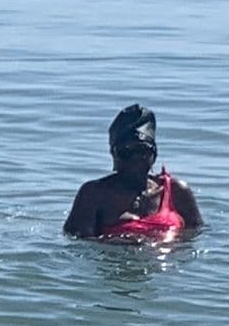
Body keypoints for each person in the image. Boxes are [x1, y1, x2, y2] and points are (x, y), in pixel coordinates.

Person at [63, 103, 204, 240]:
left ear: (154, 154)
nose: (135, 160)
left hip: (165, 262)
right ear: (113, 154)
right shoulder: (94, 195)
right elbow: (79, 243)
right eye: (126, 151)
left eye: (142, 151)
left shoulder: (177, 192)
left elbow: (196, 235)